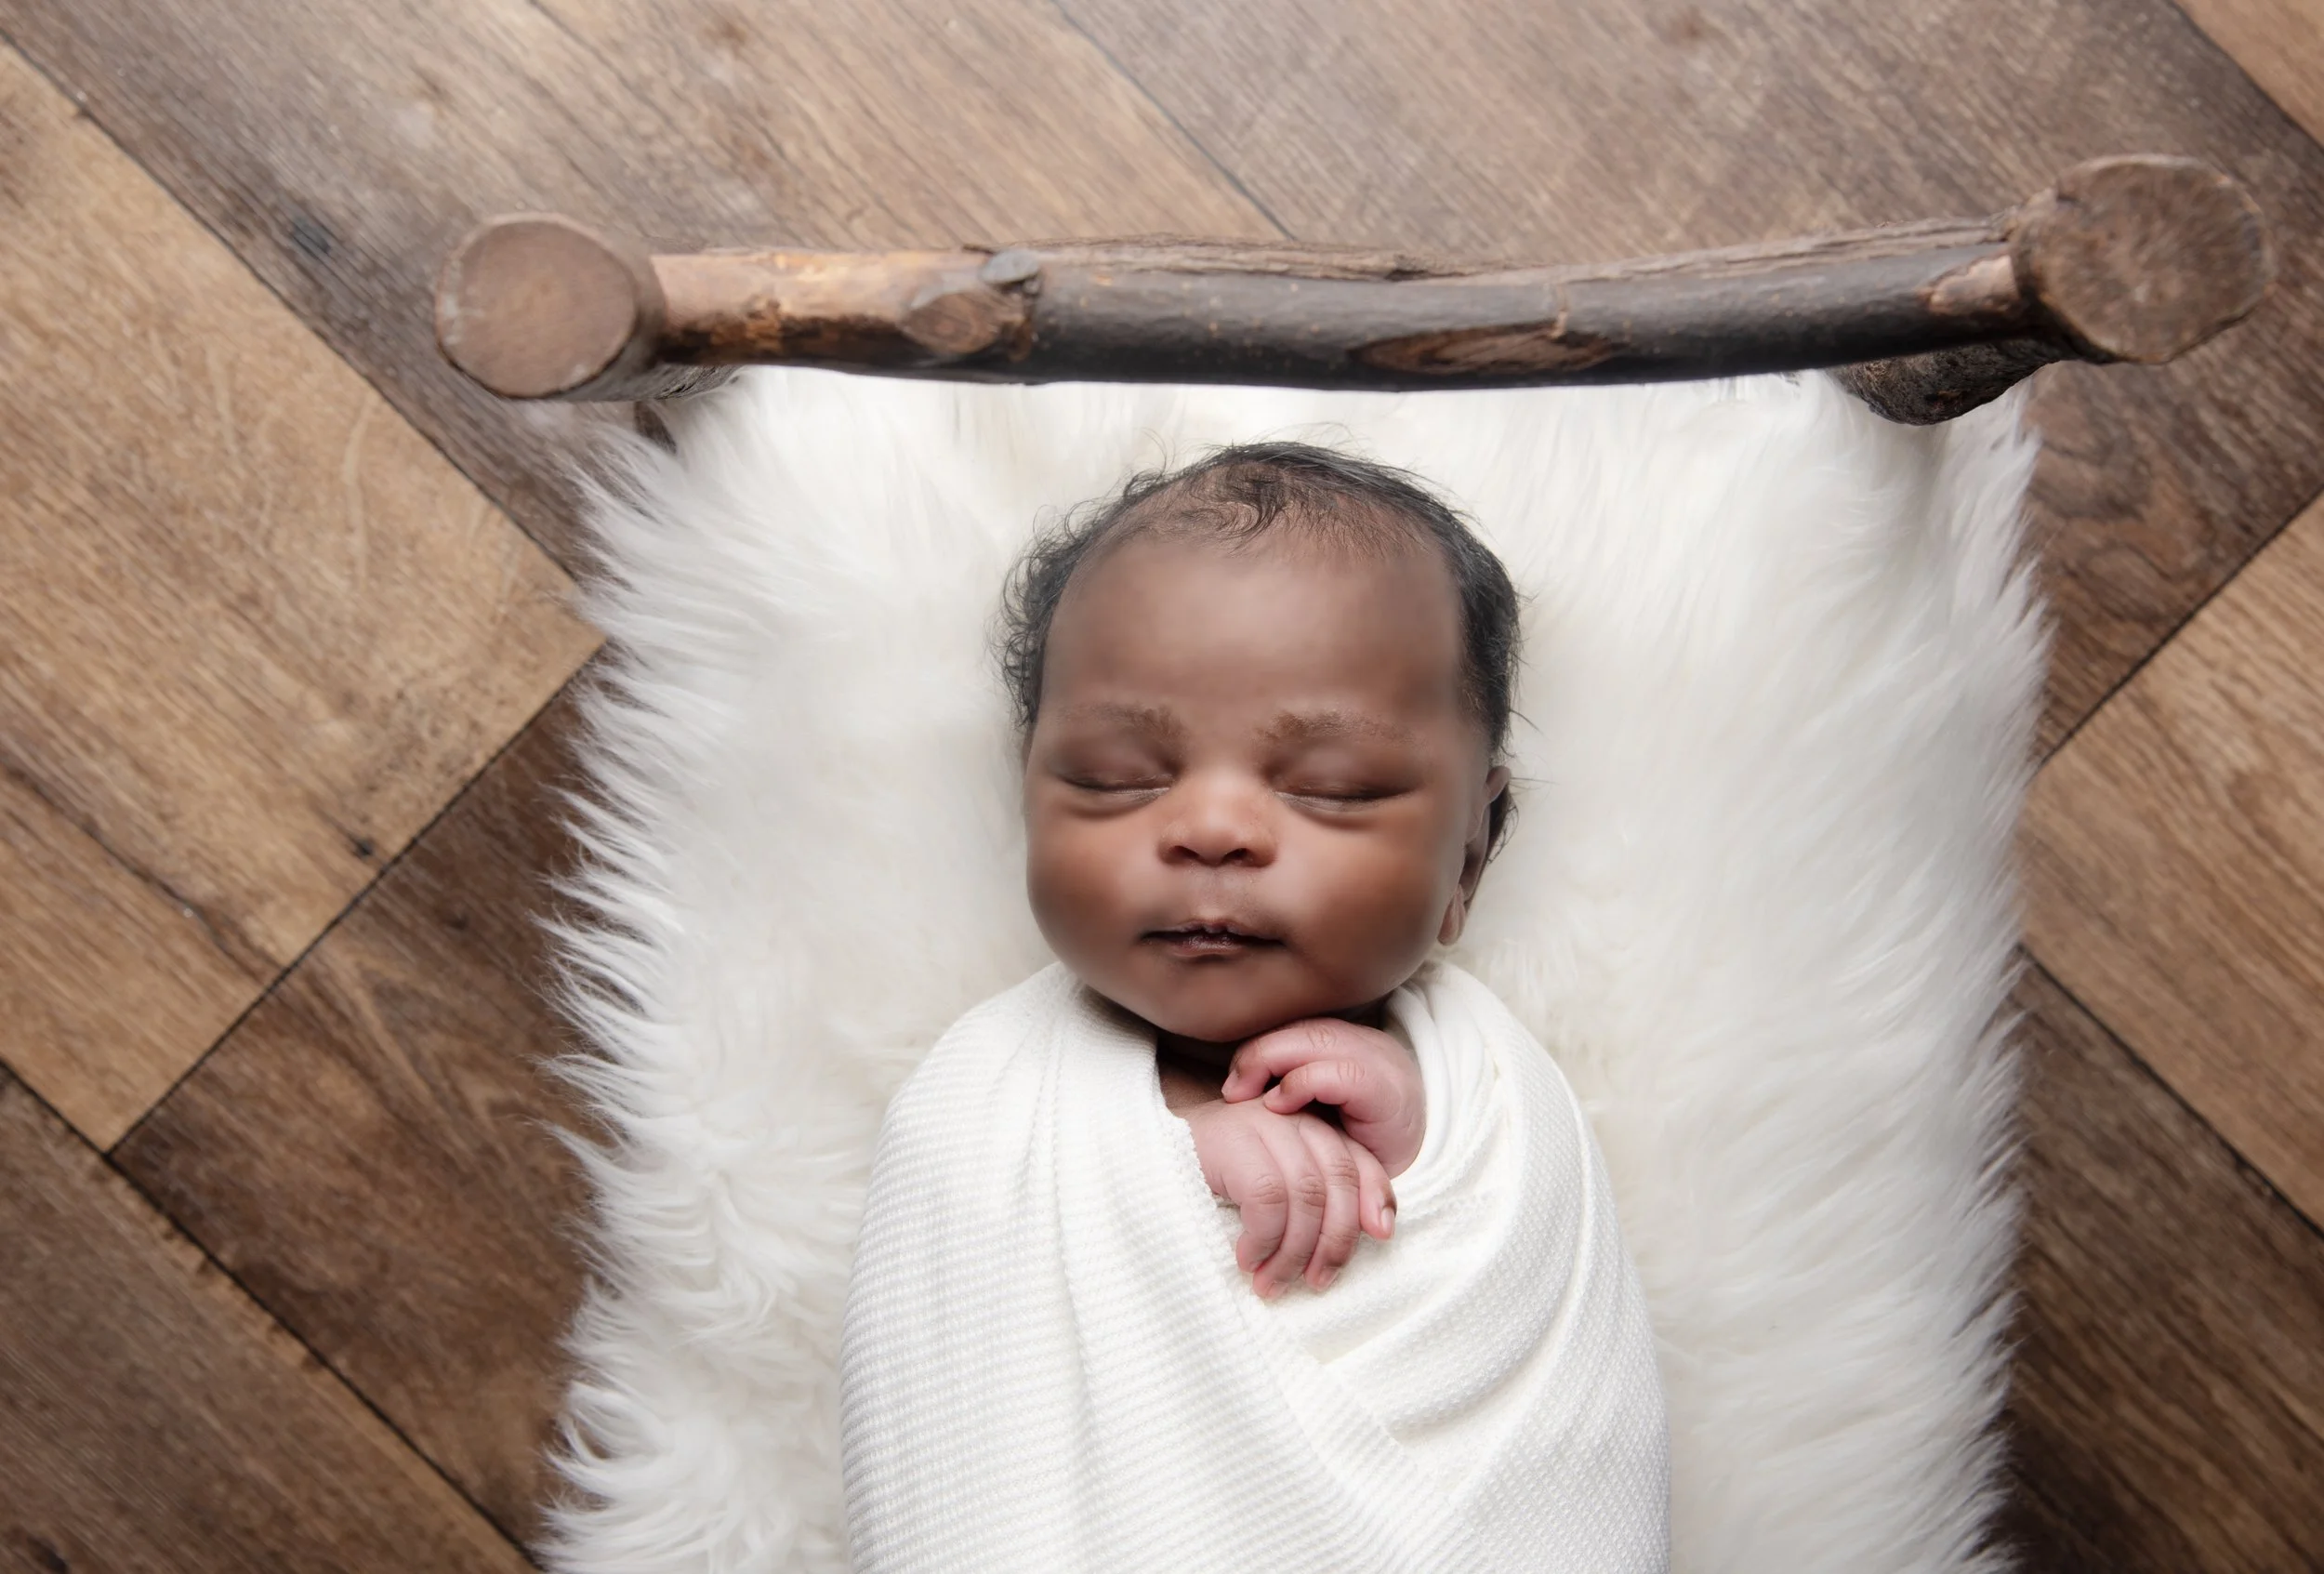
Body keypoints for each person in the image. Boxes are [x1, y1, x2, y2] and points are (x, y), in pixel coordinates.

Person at [841, 442, 1669, 1574]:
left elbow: (1526, 1318)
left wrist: (1423, 1137)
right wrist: (1172, 1157)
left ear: (1469, 857)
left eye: (1331, 788)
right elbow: (964, 1372)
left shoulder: (1489, 1093)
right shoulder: (981, 1098)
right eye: (1116, 775)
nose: (1213, 828)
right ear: (1027, 791)